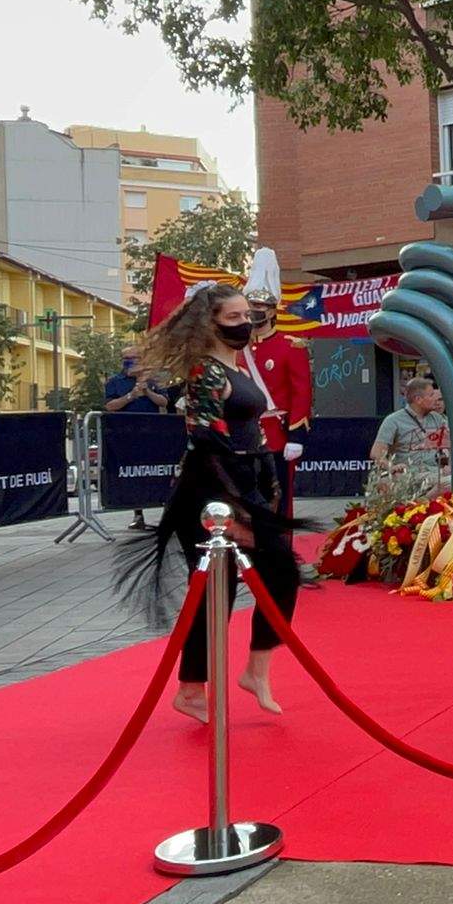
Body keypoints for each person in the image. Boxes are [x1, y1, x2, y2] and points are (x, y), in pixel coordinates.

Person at [125, 284, 304, 723]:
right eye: (235, 318)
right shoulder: (205, 371)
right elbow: (206, 438)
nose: (247, 323)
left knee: (256, 579)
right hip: (210, 490)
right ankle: (208, 684)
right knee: (248, 577)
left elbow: (252, 434)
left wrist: (266, 486)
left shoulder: (236, 368)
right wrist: (242, 502)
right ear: (211, 323)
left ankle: (237, 675)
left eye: (249, 315)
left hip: (243, 484)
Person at [243, 249, 313, 518]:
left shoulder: (290, 346)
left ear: (273, 310)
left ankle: (279, 551)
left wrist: (296, 436)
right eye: (251, 306)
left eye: (260, 307)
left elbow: (301, 393)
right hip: (244, 435)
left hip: (276, 434)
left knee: (277, 500)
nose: (254, 312)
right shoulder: (240, 348)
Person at [104, 345, 177, 530]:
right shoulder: (114, 381)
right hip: (128, 435)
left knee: (158, 472)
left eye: (135, 358)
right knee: (134, 474)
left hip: (152, 434)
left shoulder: (155, 380)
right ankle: (138, 515)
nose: (131, 362)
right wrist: (131, 396)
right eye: (127, 358)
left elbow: (165, 401)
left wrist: (147, 392)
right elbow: (110, 406)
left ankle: (166, 512)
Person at [370, 376, 451, 494]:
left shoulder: (437, 419)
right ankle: (421, 505)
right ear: (418, 399)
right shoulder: (393, 420)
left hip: (434, 472)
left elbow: (451, 446)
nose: (436, 400)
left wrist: (449, 466)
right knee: (449, 484)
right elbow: (376, 453)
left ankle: (423, 503)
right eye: (431, 395)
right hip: (408, 473)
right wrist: (391, 467)